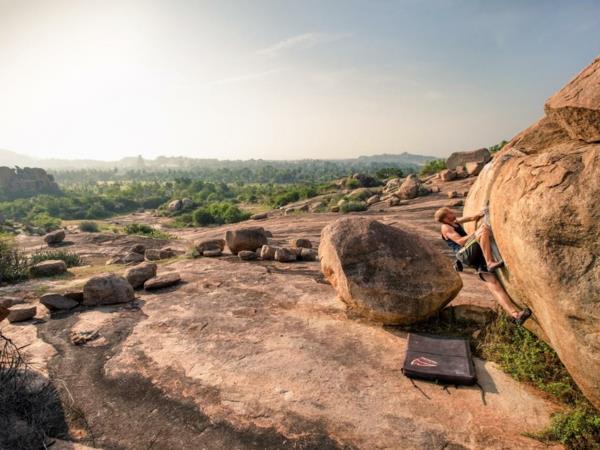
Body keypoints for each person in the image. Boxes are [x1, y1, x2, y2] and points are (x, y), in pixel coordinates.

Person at [434, 207, 531, 325]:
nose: (453, 213)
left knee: (494, 285)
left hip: (472, 255)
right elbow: (460, 241)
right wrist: (476, 233)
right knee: (483, 230)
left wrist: (482, 212)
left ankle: (516, 314)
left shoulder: (454, 222)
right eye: (449, 213)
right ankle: (489, 262)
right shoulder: (446, 227)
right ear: (444, 218)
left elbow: (472, 217)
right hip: (465, 253)